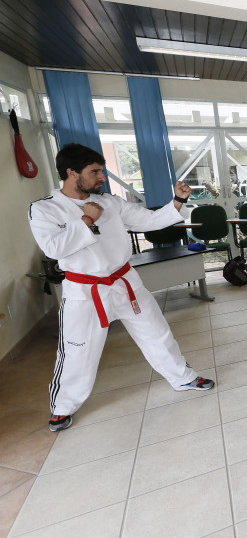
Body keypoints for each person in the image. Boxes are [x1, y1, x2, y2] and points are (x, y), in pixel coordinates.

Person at [27, 144, 215, 432]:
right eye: (95, 171)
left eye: (101, 170)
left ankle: (183, 377)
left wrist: (177, 200)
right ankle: (63, 407)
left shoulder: (110, 203)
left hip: (125, 282)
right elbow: (54, 248)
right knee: (77, 351)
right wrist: (86, 220)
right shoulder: (44, 209)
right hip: (85, 291)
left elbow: (149, 221)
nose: (101, 177)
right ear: (71, 172)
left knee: (157, 332)